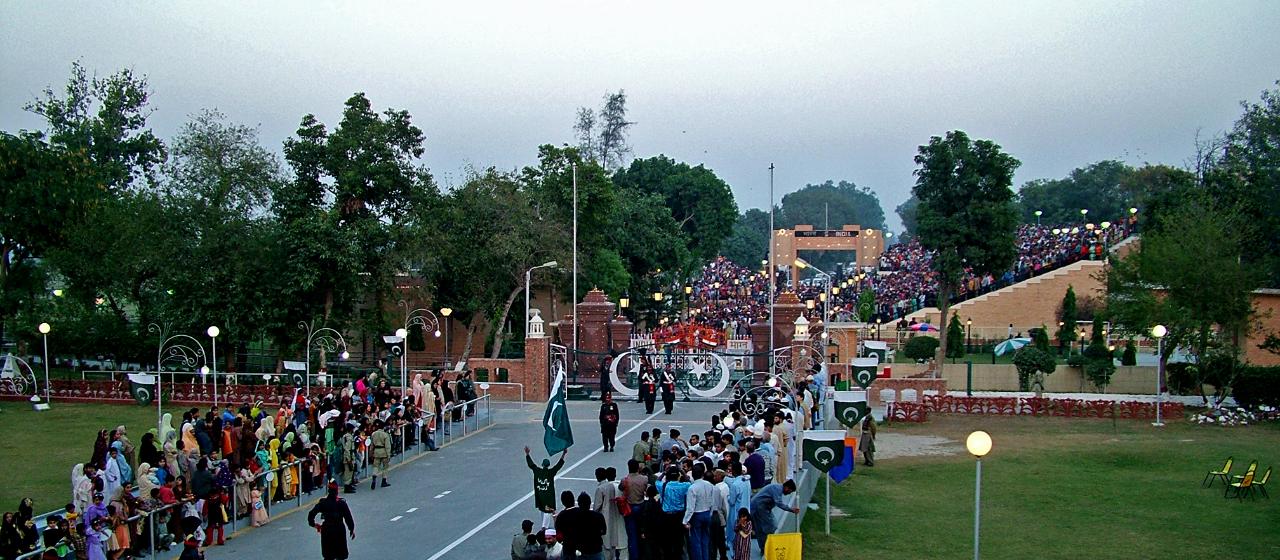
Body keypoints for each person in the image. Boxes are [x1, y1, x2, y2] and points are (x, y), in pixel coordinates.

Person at [308, 482, 356, 560]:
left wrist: (314, 524)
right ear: (337, 491)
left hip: (327, 529)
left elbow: (311, 514)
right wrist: (351, 529)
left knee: (328, 555)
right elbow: (348, 518)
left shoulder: (322, 503)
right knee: (341, 555)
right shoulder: (342, 503)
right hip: (339, 529)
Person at [748, 480, 798, 551]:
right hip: (759, 508)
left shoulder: (777, 488)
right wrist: (791, 509)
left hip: (761, 507)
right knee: (772, 526)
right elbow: (779, 503)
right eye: (790, 491)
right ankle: (767, 545)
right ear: (787, 488)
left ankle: (764, 547)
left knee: (760, 529)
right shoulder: (777, 489)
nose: (789, 493)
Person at [525, 446, 567, 528]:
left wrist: (527, 454)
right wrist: (564, 454)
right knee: (547, 510)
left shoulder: (537, 471)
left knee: (542, 509)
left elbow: (531, 464)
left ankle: (543, 525)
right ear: (548, 465)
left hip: (540, 495)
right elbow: (559, 465)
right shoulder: (551, 472)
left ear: (542, 464)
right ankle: (544, 527)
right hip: (548, 496)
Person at [683, 463, 716, 560]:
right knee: (705, 540)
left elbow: (690, 507)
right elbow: (712, 502)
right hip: (707, 513)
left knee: (696, 541)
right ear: (703, 474)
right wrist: (710, 513)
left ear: (692, 475)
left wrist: (685, 521)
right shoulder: (710, 485)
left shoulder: (692, 488)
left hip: (697, 515)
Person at [369, 420, 392, 490]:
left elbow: (372, 445)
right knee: (385, 467)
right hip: (384, 451)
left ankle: (374, 475)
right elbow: (388, 446)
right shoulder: (385, 435)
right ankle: (384, 481)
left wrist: (371, 453)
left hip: (376, 451)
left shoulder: (373, 434)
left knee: (376, 466)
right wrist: (389, 454)